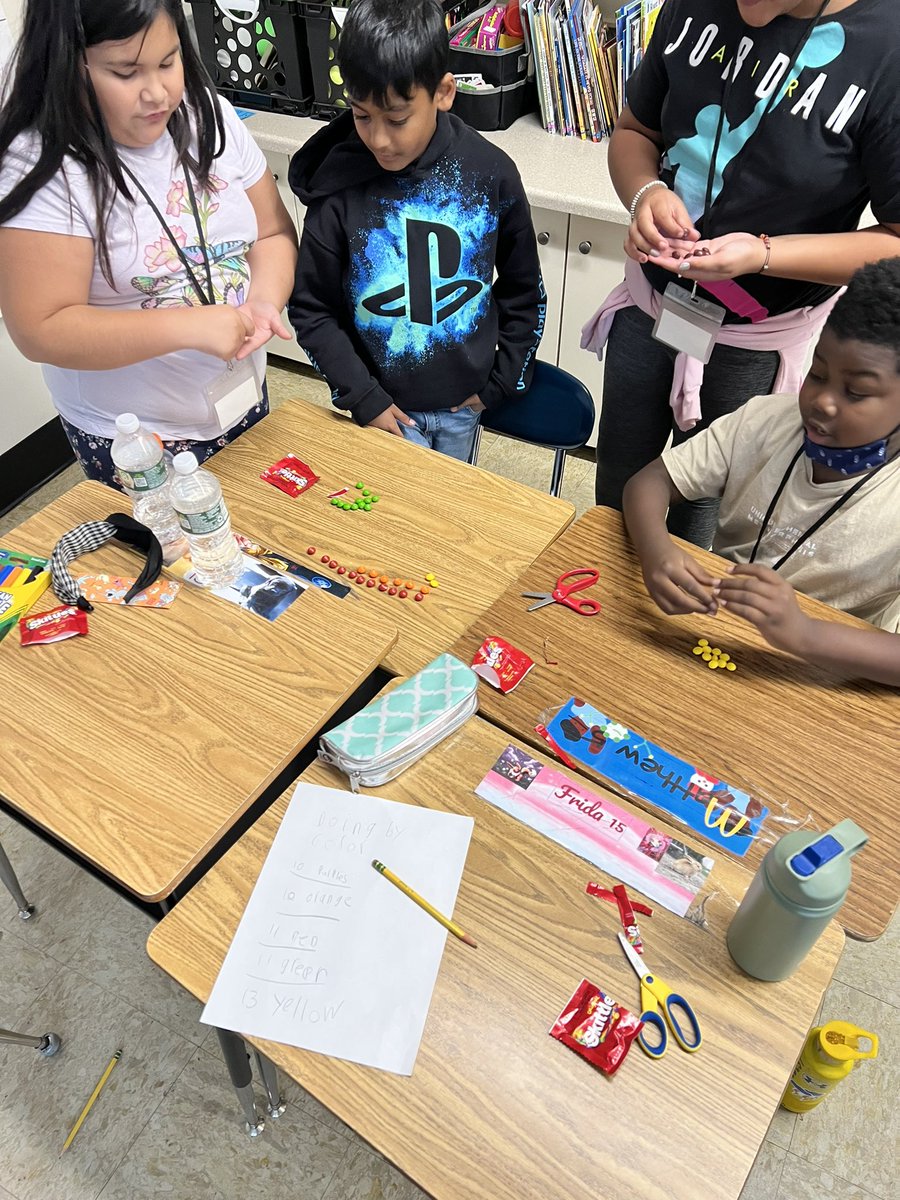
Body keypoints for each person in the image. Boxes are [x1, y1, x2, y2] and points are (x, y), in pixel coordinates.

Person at [583, 0, 900, 548]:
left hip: (759, 338)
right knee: (616, 487)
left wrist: (764, 254)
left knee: (705, 517)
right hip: (651, 307)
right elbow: (635, 129)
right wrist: (645, 192)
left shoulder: (886, 47)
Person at [0, 0, 298, 486]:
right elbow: (41, 328)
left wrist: (264, 301)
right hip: (138, 440)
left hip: (240, 395)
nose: (159, 93)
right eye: (126, 72)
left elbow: (272, 232)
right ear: (69, 63)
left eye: (169, 61)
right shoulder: (44, 165)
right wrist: (189, 327)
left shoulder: (207, 113)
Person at [622, 257, 900, 687]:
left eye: (857, 392)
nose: (823, 401)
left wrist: (805, 633)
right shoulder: (766, 420)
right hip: (720, 637)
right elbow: (649, 482)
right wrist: (656, 551)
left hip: (826, 677)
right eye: (818, 373)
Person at [287, 0, 543, 461]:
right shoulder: (338, 186)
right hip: (379, 408)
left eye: (397, 119)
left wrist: (502, 381)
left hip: (463, 405)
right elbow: (310, 309)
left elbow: (525, 290)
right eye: (361, 116)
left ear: (444, 92)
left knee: (446, 516)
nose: (379, 139)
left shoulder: (491, 173)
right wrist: (363, 397)